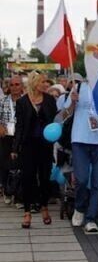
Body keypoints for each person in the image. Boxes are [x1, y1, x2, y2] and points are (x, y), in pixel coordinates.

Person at [62, 76, 98, 233]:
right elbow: (66, 114)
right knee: (81, 178)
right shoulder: (78, 88)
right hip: (80, 139)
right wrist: (73, 102)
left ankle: (91, 218)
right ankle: (79, 208)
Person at [11, 72, 58, 228]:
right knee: (28, 178)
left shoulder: (50, 100)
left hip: (45, 145)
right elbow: (19, 126)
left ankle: (44, 206)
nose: (45, 84)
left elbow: (55, 120)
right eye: (42, 81)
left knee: (45, 177)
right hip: (28, 145)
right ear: (34, 83)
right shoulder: (22, 102)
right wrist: (15, 147)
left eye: (45, 81)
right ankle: (27, 212)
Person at [0, 75, 24, 205]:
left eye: (17, 84)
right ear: (9, 87)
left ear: (22, 86)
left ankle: (19, 194)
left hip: (21, 136)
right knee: (4, 164)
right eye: (12, 85)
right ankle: (7, 190)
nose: (14, 87)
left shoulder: (26, 100)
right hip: (6, 136)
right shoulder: (3, 101)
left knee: (20, 164)